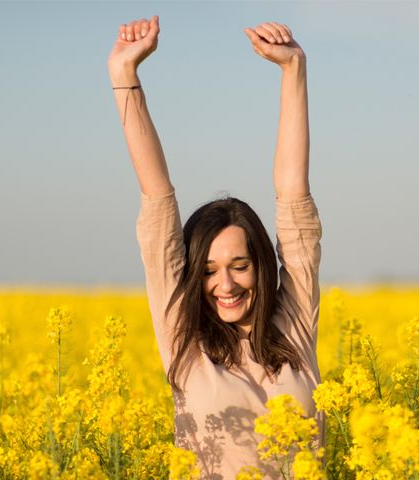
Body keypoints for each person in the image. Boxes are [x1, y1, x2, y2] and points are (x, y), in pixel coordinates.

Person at [108, 16, 323, 479]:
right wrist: (125, 76)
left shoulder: (296, 327)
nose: (224, 284)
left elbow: (293, 196)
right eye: (207, 270)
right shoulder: (184, 338)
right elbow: (157, 196)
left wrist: (294, 71)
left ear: (262, 267)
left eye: (240, 265)